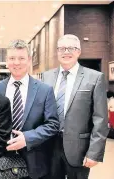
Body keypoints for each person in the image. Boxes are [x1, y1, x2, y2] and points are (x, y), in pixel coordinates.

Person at [42, 34, 109, 179]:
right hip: (49, 146)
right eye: (62, 48)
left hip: (79, 149)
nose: (66, 52)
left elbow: (101, 119)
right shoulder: (46, 77)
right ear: (57, 52)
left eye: (71, 48)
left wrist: (94, 153)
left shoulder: (94, 78)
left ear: (79, 51)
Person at [0, 39, 59, 179]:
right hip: (0, 161)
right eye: (12, 58)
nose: (16, 63)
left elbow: (53, 124)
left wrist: (27, 138)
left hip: (34, 162)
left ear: (29, 60)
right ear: (7, 60)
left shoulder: (44, 90)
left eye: (21, 58)